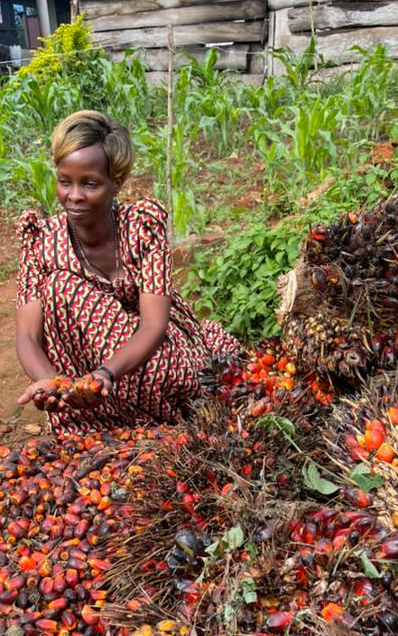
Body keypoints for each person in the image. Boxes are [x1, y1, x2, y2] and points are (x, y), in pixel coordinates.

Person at [15, 110, 241, 435]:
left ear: (116, 182)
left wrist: (106, 374)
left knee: (179, 377)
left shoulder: (141, 228)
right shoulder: (40, 241)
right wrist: (50, 381)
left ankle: (146, 414)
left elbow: (153, 324)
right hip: (80, 374)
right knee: (60, 288)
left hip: (147, 355)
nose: (74, 195)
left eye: (89, 184)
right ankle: (92, 415)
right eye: (65, 181)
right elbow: (27, 336)